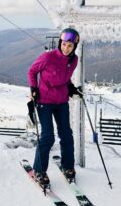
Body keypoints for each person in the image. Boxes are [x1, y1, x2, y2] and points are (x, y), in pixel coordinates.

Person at [27, 28, 82, 187]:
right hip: (44, 100)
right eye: (64, 44)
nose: (66, 48)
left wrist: (71, 87)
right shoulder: (48, 57)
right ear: (60, 43)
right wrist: (33, 88)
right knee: (48, 137)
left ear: (74, 47)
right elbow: (32, 71)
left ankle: (67, 166)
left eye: (70, 46)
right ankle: (39, 170)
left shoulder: (74, 60)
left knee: (66, 134)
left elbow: (66, 77)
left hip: (62, 101)